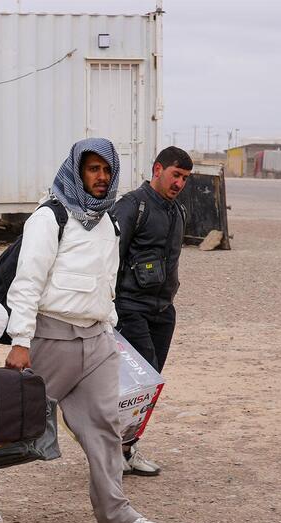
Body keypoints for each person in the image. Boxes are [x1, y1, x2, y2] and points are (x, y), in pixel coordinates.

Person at [0, 138, 164, 523]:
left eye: (106, 170)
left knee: (106, 425)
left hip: (97, 341)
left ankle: (115, 517)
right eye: (93, 169)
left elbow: (107, 283)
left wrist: (109, 326)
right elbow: (27, 283)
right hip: (50, 338)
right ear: (76, 171)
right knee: (15, 422)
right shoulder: (49, 218)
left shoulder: (111, 223)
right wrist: (21, 340)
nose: (101, 178)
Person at [110, 146, 193, 476]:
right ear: (157, 169)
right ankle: (111, 449)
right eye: (176, 175)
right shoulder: (133, 206)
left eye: (185, 178)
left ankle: (127, 448)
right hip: (130, 308)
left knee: (151, 384)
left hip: (163, 311)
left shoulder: (177, 211)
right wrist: (109, 308)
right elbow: (109, 257)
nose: (179, 184)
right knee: (134, 386)